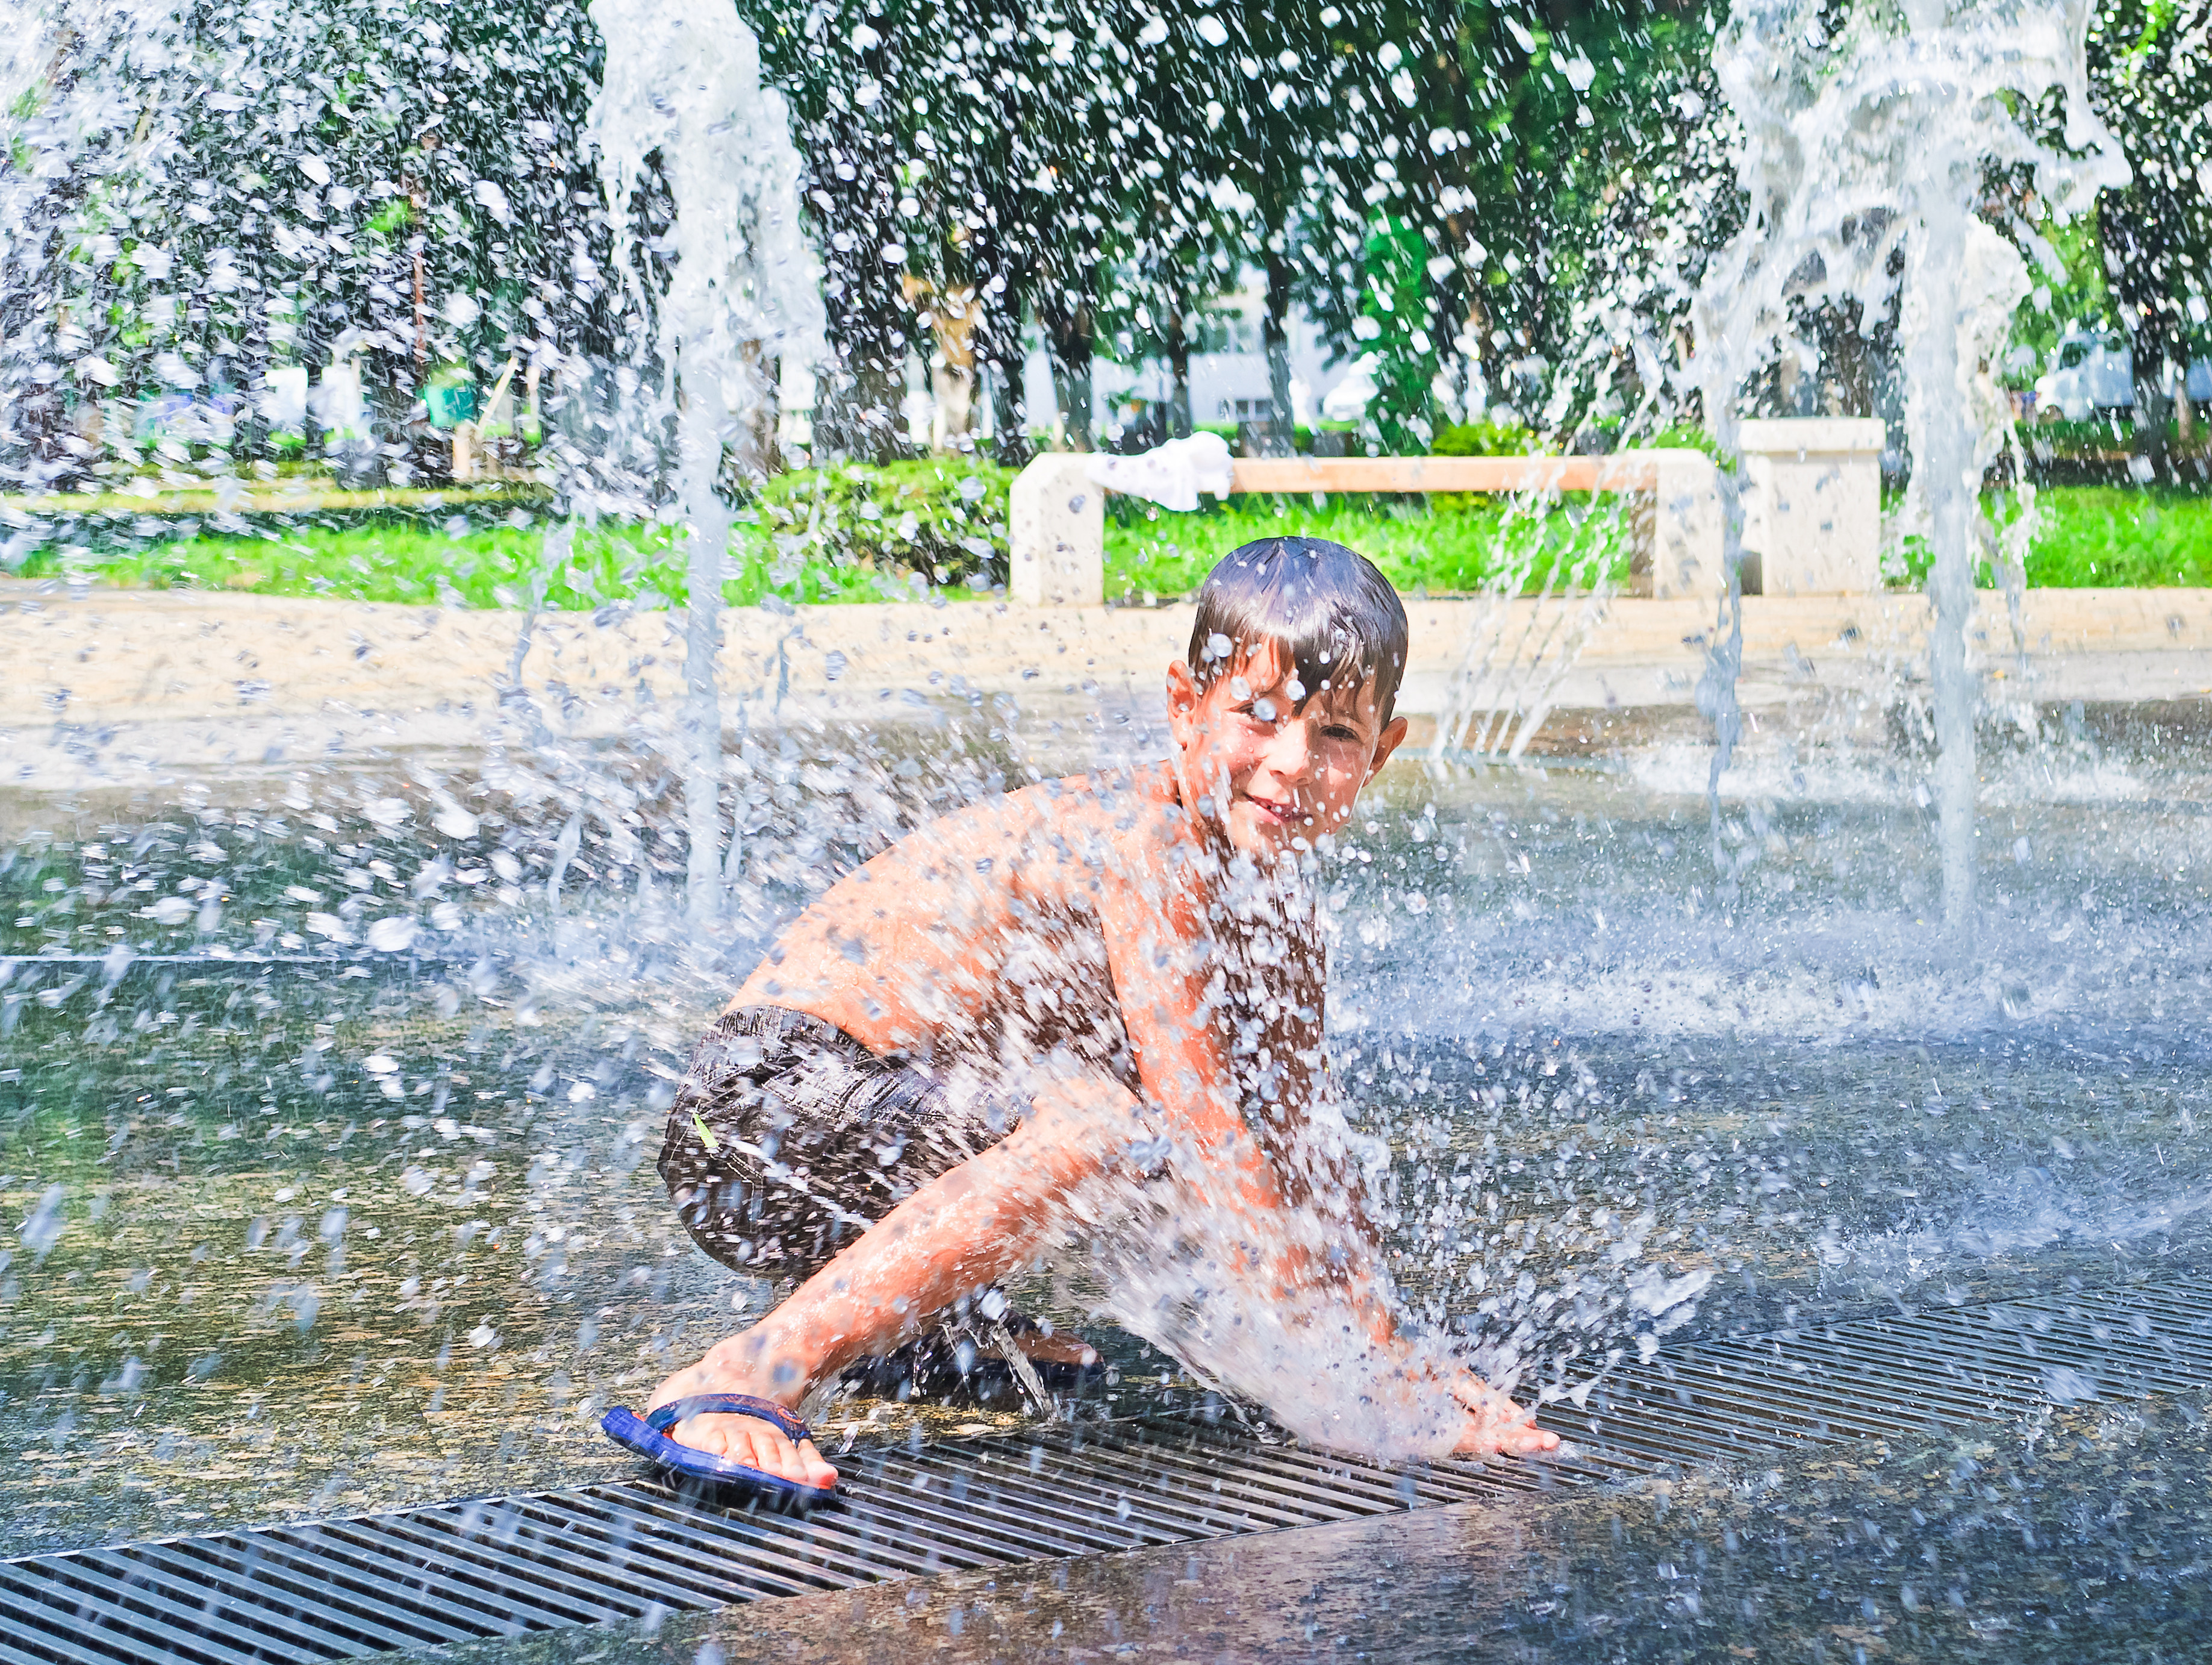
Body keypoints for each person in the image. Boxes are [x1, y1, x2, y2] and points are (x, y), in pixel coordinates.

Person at [632, 537, 1557, 1493]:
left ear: (1383, 753)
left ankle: (906, 1334)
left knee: (1180, 1163)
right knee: (1115, 1131)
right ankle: (747, 1373)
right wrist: (1361, 1380)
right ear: (1181, 707)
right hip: (757, 1121)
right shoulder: (1150, 843)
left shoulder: (1281, 907)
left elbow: (1300, 1147)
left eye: (1335, 737)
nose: (1290, 763)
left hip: (857, 1161)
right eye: (1258, 717)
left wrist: (1378, 1347)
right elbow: (1206, 1131)